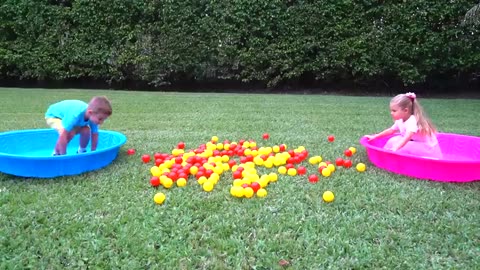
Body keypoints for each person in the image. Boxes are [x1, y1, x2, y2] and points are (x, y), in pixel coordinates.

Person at [365, 92, 442, 159]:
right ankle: (386, 154)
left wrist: (396, 148)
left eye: (394, 111)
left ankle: (396, 156)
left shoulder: (412, 120)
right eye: (391, 110)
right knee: (394, 140)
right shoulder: (400, 119)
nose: (391, 113)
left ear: (405, 110)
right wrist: (375, 136)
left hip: (428, 149)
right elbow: (391, 130)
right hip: (416, 143)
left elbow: (407, 137)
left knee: (404, 145)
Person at [45, 96, 112, 156]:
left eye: (103, 119)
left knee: (86, 130)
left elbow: (95, 134)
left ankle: (81, 151)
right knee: (67, 132)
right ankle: (56, 153)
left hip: (69, 118)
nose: (101, 122)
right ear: (90, 112)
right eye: (100, 119)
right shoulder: (75, 114)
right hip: (54, 116)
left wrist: (93, 152)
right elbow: (63, 135)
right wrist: (64, 156)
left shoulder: (93, 116)